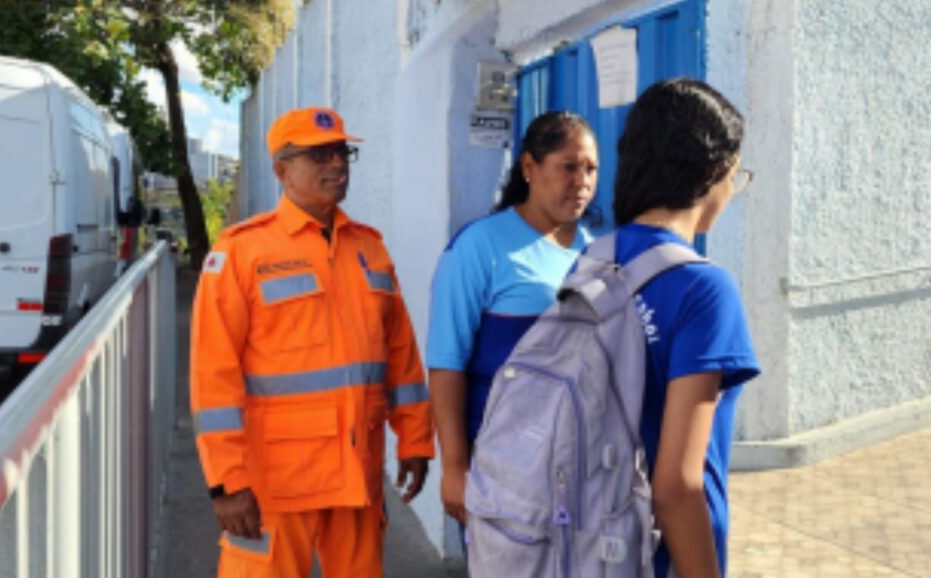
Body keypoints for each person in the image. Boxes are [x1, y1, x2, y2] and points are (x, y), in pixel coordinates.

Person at [190, 107, 434, 578]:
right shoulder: (240, 253)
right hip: (275, 486)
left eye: (343, 151)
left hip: (356, 477)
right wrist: (227, 481)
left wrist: (415, 441)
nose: (337, 164)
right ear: (282, 170)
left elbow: (401, 357)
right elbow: (211, 376)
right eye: (320, 154)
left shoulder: (370, 248)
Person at [611, 78, 760, 577]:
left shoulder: (591, 261)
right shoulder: (703, 289)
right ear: (715, 170)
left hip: (593, 542)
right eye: (735, 177)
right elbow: (676, 485)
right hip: (662, 556)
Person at [427, 111, 598, 528]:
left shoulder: (596, 251)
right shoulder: (479, 246)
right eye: (569, 167)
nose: (582, 181)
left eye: (591, 169)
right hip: (501, 463)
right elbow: (446, 362)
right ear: (529, 167)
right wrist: (454, 467)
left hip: (578, 463)